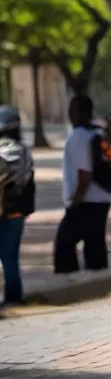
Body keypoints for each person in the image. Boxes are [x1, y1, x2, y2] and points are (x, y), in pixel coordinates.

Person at [53, 95, 111, 274]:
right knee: (95, 244)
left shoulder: (78, 136)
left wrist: (75, 202)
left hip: (86, 201)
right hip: (102, 198)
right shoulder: (99, 133)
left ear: (76, 112)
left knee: (64, 244)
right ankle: (99, 278)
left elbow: (84, 174)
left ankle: (68, 281)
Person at [0, 107, 35, 307]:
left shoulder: (1, 150)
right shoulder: (24, 151)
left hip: (2, 210)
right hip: (17, 212)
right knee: (10, 256)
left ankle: (10, 298)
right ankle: (15, 297)